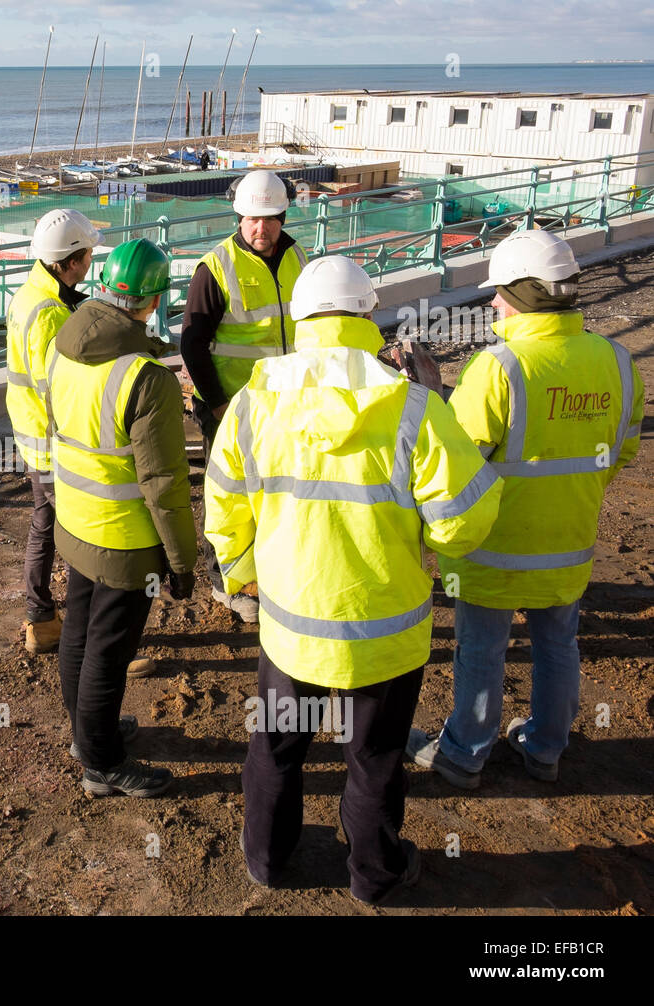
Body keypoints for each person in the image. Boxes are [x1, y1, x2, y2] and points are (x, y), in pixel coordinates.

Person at [205, 255, 503, 904]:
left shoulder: (254, 405)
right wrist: (434, 549)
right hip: (384, 631)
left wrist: (241, 577)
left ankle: (268, 861)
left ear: (300, 319)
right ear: (369, 316)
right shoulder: (413, 407)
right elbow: (464, 520)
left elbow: (224, 508)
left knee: (277, 749)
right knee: (373, 762)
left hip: (290, 628)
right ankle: (375, 875)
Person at [408, 229, 644, 788]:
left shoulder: (499, 367)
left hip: (494, 550)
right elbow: (623, 449)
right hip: (569, 544)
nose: (492, 302)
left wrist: (430, 396)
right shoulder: (615, 359)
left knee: (481, 651)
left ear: (526, 294)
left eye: (500, 292)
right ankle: (544, 749)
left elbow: (459, 460)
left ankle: (465, 754)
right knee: (559, 644)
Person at [45, 238, 197, 798]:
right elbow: (164, 487)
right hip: (126, 541)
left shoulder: (64, 345)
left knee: (79, 637)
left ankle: (87, 735)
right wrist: (182, 564)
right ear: (154, 301)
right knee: (109, 654)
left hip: (77, 521)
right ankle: (102, 764)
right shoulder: (147, 378)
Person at [182, 169, 306, 623]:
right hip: (230, 408)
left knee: (275, 492)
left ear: (282, 216)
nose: (261, 228)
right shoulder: (215, 268)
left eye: (270, 218)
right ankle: (227, 583)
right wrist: (216, 405)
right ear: (239, 217)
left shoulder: (297, 257)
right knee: (227, 496)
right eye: (253, 219)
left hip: (285, 405)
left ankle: (268, 570)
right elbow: (191, 346)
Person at [5, 209, 99, 656]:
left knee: (44, 526)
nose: (91, 262)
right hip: (54, 442)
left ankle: (41, 619)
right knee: (86, 536)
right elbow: (59, 388)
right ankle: (97, 640)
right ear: (71, 260)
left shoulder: (31, 294)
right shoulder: (49, 314)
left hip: (32, 436)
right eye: (87, 255)